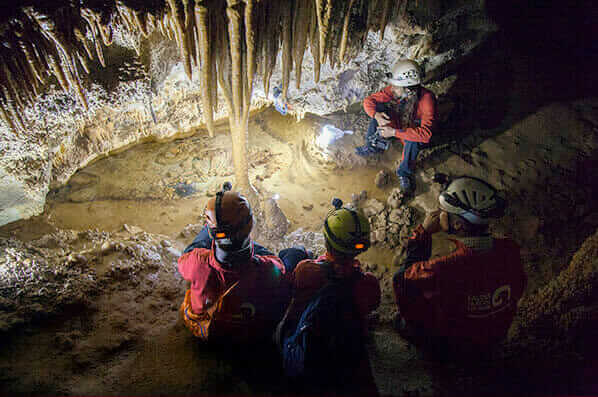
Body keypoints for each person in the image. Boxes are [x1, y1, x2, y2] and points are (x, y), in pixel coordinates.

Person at [393, 176, 527, 353]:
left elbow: (405, 280)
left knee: (401, 318)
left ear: (457, 225)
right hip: (495, 336)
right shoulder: (509, 249)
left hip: (455, 347)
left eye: (443, 211)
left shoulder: (444, 269)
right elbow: (519, 286)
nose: (438, 213)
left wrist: (422, 234)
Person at [275, 199, 381, 395]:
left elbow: (296, 289)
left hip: (301, 338)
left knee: (293, 254)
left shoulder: (307, 270)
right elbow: (372, 304)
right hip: (344, 347)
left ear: (326, 241)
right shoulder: (368, 284)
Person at [177, 184, 292, 344]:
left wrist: (216, 228)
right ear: (250, 225)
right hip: (249, 332)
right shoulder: (267, 268)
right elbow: (279, 268)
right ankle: (235, 236)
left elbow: (182, 264)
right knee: (278, 255)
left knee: (197, 245)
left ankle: (217, 230)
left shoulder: (198, 262)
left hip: (208, 329)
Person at [355, 59, 436, 194]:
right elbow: (369, 101)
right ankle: (372, 147)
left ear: (408, 89)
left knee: (414, 138)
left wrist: (394, 132)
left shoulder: (427, 99)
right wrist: (376, 115)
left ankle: (405, 172)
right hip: (398, 124)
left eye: (396, 86)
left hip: (409, 133)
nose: (392, 88)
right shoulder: (396, 91)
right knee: (380, 109)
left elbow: (426, 134)